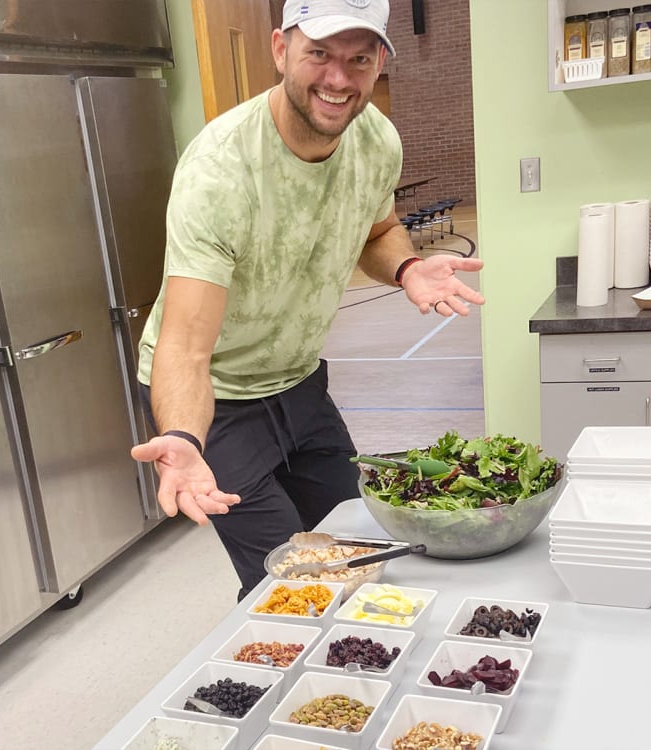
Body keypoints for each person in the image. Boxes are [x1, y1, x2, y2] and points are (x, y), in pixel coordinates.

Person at [129, 0, 483, 598]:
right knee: (297, 583)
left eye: (359, 59)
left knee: (356, 548)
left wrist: (407, 267)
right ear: (280, 50)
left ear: (379, 65)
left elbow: (375, 230)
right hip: (220, 401)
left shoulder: (375, 141)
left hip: (299, 384)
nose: (338, 78)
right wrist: (187, 440)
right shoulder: (221, 171)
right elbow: (186, 348)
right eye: (319, 53)